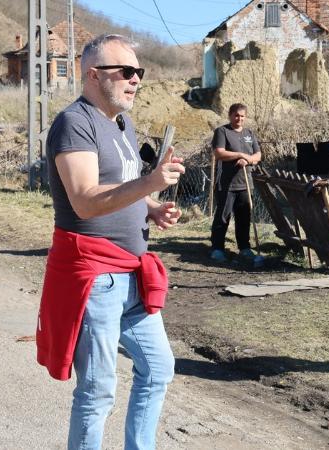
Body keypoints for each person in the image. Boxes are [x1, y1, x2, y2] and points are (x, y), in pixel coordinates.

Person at [37, 34, 185, 449]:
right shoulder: (75, 122)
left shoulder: (122, 123)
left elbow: (124, 184)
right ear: (93, 74)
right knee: (98, 392)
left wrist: (152, 204)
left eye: (139, 72)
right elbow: (84, 200)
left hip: (132, 274)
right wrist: (150, 182)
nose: (136, 79)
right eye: (126, 71)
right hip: (95, 277)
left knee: (158, 368)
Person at [209, 103, 261, 262]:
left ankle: (244, 248)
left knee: (244, 216)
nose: (239, 118)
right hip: (227, 183)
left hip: (245, 182)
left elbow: (258, 154)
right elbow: (219, 153)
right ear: (230, 115)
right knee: (223, 217)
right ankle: (217, 248)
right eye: (236, 115)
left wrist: (249, 160)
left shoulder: (249, 133)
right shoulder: (222, 131)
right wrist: (241, 154)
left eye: (242, 116)